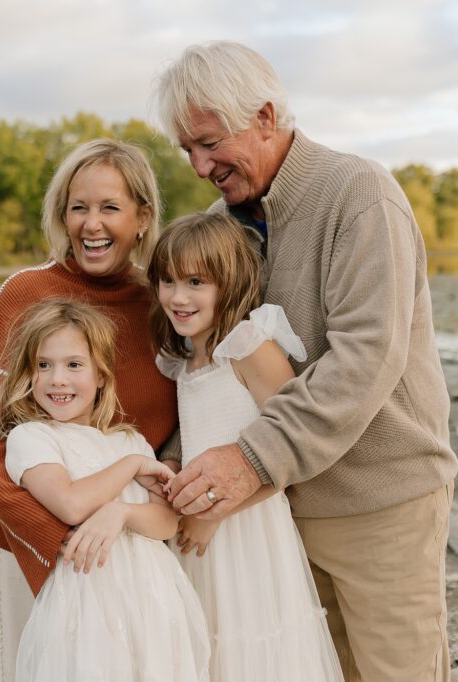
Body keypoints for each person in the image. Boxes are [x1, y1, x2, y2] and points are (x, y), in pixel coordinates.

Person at [152, 41, 458, 681]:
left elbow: (366, 358)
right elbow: (209, 365)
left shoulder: (358, 194)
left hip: (379, 503)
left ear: (265, 117)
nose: (200, 164)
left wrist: (249, 460)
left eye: (209, 143)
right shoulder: (219, 227)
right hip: (275, 514)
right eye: (188, 150)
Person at [0, 139, 179, 682]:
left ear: (143, 217)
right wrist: (53, 539)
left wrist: (136, 518)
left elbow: (168, 438)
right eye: (78, 207)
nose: (91, 224)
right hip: (28, 532)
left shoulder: (163, 306)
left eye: (110, 207)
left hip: (127, 542)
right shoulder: (25, 292)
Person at [149, 212, 343, 681]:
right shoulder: (184, 359)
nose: (178, 296)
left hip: (247, 525)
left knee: (252, 647)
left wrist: (214, 514)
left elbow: (288, 449)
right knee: (206, 646)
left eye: (196, 281)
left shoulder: (249, 346)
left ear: (229, 282)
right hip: (197, 524)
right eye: (168, 280)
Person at [0, 299, 209, 681]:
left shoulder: (129, 439)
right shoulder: (32, 437)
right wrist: (133, 466)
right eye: (44, 365)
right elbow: (70, 504)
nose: (58, 379)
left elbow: (166, 523)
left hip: (152, 596)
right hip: (88, 601)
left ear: (101, 375)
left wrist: (121, 512)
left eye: (74, 365)